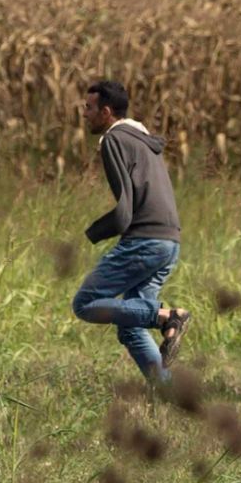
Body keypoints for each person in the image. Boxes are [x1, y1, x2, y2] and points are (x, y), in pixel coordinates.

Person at [73, 79, 190, 383]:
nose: (84, 114)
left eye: (89, 108)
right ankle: (164, 389)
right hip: (169, 241)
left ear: (106, 111)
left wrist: (92, 233)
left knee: (85, 304)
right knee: (130, 323)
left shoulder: (114, 140)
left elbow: (124, 212)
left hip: (145, 240)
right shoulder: (141, 138)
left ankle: (168, 317)